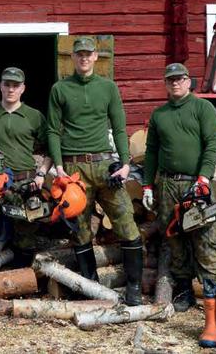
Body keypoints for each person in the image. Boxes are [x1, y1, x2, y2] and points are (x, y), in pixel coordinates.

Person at [142, 62, 216, 350]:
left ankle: (215, 294)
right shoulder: (159, 115)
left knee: (205, 239)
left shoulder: (202, 109)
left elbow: (211, 144)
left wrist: (204, 178)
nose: (175, 84)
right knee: (175, 238)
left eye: (180, 79)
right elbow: (152, 151)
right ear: (166, 83)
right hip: (167, 184)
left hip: (195, 183)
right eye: (170, 80)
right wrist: (147, 184)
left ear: (188, 82)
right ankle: (184, 289)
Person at [46, 36, 144, 306]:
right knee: (79, 229)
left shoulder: (108, 88)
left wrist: (125, 164)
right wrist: (58, 167)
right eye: (79, 54)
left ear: (96, 57)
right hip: (73, 167)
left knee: (126, 221)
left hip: (104, 165)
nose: (84, 58)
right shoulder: (60, 89)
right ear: (73, 58)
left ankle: (134, 288)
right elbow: (53, 130)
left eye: (89, 54)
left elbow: (120, 126)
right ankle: (91, 287)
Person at [0, 67, 51, 269]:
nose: (11, 89)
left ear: (23, 88)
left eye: (16, 85)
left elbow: (50, 150)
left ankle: (22, 281)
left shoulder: (34, 116)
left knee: (25, 236)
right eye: (7, 84)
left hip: (26, 182)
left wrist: (41, 174)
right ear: (0, 86)